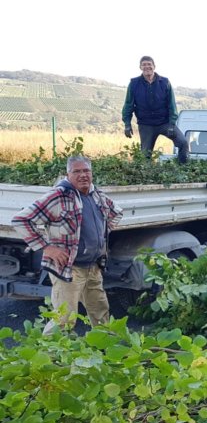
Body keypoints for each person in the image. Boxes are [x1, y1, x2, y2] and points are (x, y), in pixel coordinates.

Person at [12, 156, 123, 334]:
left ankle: (105, 350)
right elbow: (21, 220)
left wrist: (102, 233)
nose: (82, 175)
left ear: (92, 173)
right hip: (69, 268)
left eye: (86, 171)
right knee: (64, 319)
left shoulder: (97, 195)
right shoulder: (58, 196)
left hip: (93, 266)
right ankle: (51, 358)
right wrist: (47, 247)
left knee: (101, 312)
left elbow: (117, 212)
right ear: (68, 174)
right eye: (77, 171)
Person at [122, 55, 189, 164]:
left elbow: (171, 104)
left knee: (183, 142)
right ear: (140, 67)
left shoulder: (165, 82)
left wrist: (172, 124)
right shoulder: (134, 84)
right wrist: (127, 124)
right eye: (144, 64)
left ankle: (183, 168)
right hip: (146, 124)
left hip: (164, 123)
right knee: (145, 156)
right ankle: (146, 176)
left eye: (149, 64)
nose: (147, 67)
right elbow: (128, 104)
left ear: (154, 66)